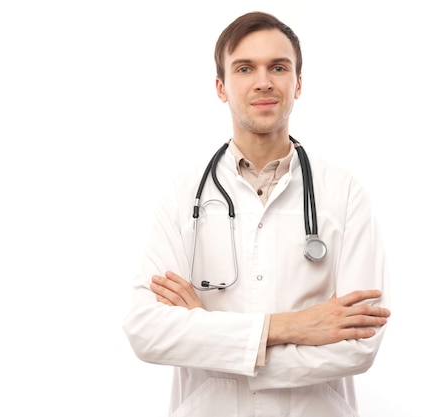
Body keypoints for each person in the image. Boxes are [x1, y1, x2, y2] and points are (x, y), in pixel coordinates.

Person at [122, 11, 391, 417]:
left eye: (278, 67)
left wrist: (212, 339)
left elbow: (358, 345)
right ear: (221, 87)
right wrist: (293, 326)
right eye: (245, 68)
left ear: (298, 83)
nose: (263, 81)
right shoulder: (182, 194)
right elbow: (147, 331)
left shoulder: (345, 192)